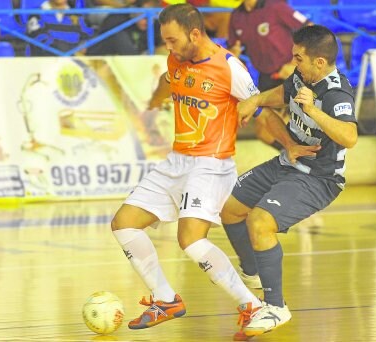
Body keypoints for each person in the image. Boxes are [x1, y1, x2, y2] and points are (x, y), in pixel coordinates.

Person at [110, 3, 265, 338]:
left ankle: (252, 305)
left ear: (194, 33)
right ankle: (166, 300)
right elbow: (169, 79)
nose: (168, 46)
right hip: (177, 160)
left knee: (191, 241)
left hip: (212, 164)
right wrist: (155, 99)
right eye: (165, 40)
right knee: (124, 224)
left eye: (172, 40)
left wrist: (289, 146)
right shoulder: (176, 58)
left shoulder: (229, 68)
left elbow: (260, 110)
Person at [220, 24, 358, 338]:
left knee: (260, 222)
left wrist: (313, 109)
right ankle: (254, 272)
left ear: (319, 63)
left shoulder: (336, 92)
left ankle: (275, 307)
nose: (293, 62)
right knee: (228, 208)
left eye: (298, 58)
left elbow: (349, 137)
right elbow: (282, 93)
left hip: (319, 178)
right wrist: (256, 101)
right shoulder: (301, 77)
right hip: (289, 161)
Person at [228, 0, 310, 152]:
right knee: (263, 130)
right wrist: (233, 55)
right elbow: (233, 49)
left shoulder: (275, 6)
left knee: (302, 122)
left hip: (291, 72)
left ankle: (308, 160)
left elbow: (311, 30)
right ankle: (294, 156)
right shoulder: (236, 16)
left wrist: (296, 62)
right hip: (266, 76)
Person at [86, 0, 166, 56]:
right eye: (144, 16)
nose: (148, 21)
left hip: (136, 64)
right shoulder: (116, 20)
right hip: (103, 61)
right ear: (134, 11)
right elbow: (97, 48)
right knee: (118, 36)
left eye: (153, 17)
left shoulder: (156, 26)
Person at [26, 0, 90, 56]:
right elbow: (40, 40)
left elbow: (85, 39)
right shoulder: (36, 14)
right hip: (45, 64)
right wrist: (72, 50)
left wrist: (80, 48)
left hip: (72, 65)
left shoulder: (78, 17)